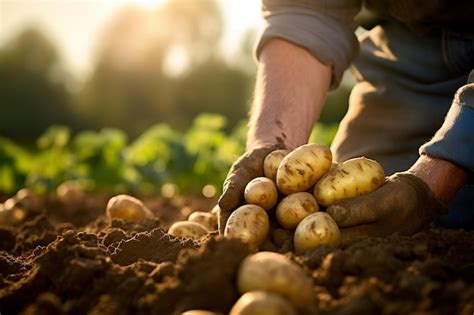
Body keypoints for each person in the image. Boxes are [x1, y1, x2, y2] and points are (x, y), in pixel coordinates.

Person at [217, 0, 474, 242]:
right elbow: (307, 11)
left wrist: (436, 179)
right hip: (402, 68)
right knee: (353, 216)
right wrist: (272, 143)